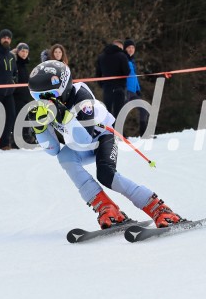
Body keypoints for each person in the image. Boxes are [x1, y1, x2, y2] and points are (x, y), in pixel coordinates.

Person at [27, 60, 186, 229]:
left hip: (102, 137)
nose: (44, 100)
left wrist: (64, 116)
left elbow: (85, 139)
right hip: (82, 145)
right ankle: (107, 208)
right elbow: (53, 150)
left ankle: (159, 208)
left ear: (64, 86)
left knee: (106, 175)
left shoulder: (82, 97)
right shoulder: (49, 107)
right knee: (64, 156)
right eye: (37, 96)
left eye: (49, 94)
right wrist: (40, 129)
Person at [95, 39, 130, 119]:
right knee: (119, 113)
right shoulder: (122, 55)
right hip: (119, 87)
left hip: (107, 88)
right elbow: (127, 72)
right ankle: (117, 130)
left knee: (107, 112)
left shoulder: (101, 56)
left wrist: (102, 85)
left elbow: (98, 74)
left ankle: (107, 130)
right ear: (119, 47)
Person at [123, 38, 148, 136]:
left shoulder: (132, 61)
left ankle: (144, 133)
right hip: (125, 90)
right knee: (122, 112)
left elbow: (134, 77)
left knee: (144, 108)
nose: (131, 49)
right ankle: (119, 134)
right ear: (125, 49)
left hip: (133, 91)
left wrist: (138, 89)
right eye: (129, 47)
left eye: (133, 47)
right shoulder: (123, 59)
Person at [12, 42, 32, 147]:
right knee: (18, 118)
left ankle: (25, 138)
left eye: (26, 51)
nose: (24, 53)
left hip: (25, 94)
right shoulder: (15, 62)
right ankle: (16, 141)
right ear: (18, 51)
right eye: (22, 51)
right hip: (16, 95)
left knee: (24, 117)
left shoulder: (25, 64)